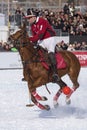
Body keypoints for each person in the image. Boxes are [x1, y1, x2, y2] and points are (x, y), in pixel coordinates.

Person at [24, 9, 60, 82]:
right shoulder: (32, 25)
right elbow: (35, 36)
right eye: (27, 18)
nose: (28, 20)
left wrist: (29, 39)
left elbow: (40, 35)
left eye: (29, 18)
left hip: (49, 38)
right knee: (33, 53)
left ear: (34, 17)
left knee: (50, 54)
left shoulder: (43, 21)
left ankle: (55, 74)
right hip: (41, 40)